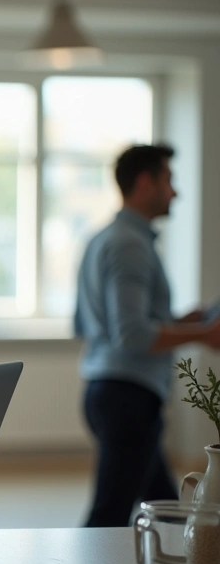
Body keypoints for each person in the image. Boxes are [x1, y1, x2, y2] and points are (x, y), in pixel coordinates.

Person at [75, 144, 220, 528]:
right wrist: (204, 333)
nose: (175, 192)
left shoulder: (103, 238)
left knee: (165, 507)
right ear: (145, 182)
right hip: (128, 398)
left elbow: (92, 323)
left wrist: (180, 321)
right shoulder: (130, 245)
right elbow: (132, 335)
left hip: (109, 390)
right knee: (106, 519)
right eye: (168, 180)